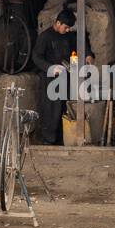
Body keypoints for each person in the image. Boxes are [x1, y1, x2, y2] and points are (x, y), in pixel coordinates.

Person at [32, 9, 92, 145]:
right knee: (51, 110)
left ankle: (61, 139)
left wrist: (88, 54)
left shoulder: (68, 35)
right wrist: (50, 68)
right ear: (58, 23)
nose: (67, 30)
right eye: (65, 27)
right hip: (50, 80)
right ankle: (48, 140)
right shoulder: (45, 37)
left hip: (66, 79)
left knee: (64, 109)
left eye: (69, 28)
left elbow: (79, 43)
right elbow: (36, 57)